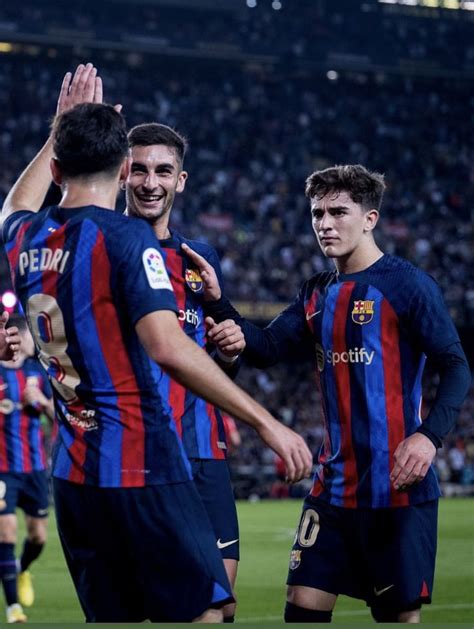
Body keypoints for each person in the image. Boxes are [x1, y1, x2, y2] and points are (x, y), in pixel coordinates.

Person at [1, 63, 312, 622]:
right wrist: (267, 422)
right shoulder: (127, 238)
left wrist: (57, 126)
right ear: (123, 170)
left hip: (73, 473)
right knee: (208, 612)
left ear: (54, 166)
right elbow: (168, 347)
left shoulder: (26, 237)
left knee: (115, 618)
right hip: (142, 464)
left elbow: (12, 207)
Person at [184, 164, 471, 623]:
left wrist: (428, 437)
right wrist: (219, 302)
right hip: (332, 489)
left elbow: (457, 366)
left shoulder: (409, 286)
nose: (325, 223)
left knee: (396, 616)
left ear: (370, 219)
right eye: (317, 213)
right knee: (301, 609)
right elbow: (269, 347)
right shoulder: (317, 292)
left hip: (395, 489)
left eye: (339, 212)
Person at [125, 122, 246, 622]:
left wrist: (232, 347)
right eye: (139, 169)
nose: (150, 182)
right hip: (139, 455)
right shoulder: (102, 247)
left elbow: (217, 355)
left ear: (181, 181)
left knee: (224, 606)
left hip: (203, 451)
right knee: (183, 608)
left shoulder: (199, 259)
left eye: (163, 171)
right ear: (120, 175)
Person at [0, 318, 53, 623]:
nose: (35, 345)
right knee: (5, 532)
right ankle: (12, 607)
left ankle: (23, 569)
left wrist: (44, 402)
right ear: (18, 337)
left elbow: (59, 416)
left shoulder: (38, 374)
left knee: (38, 537)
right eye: (31, 337)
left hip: (33, 468)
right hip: (3, 470)